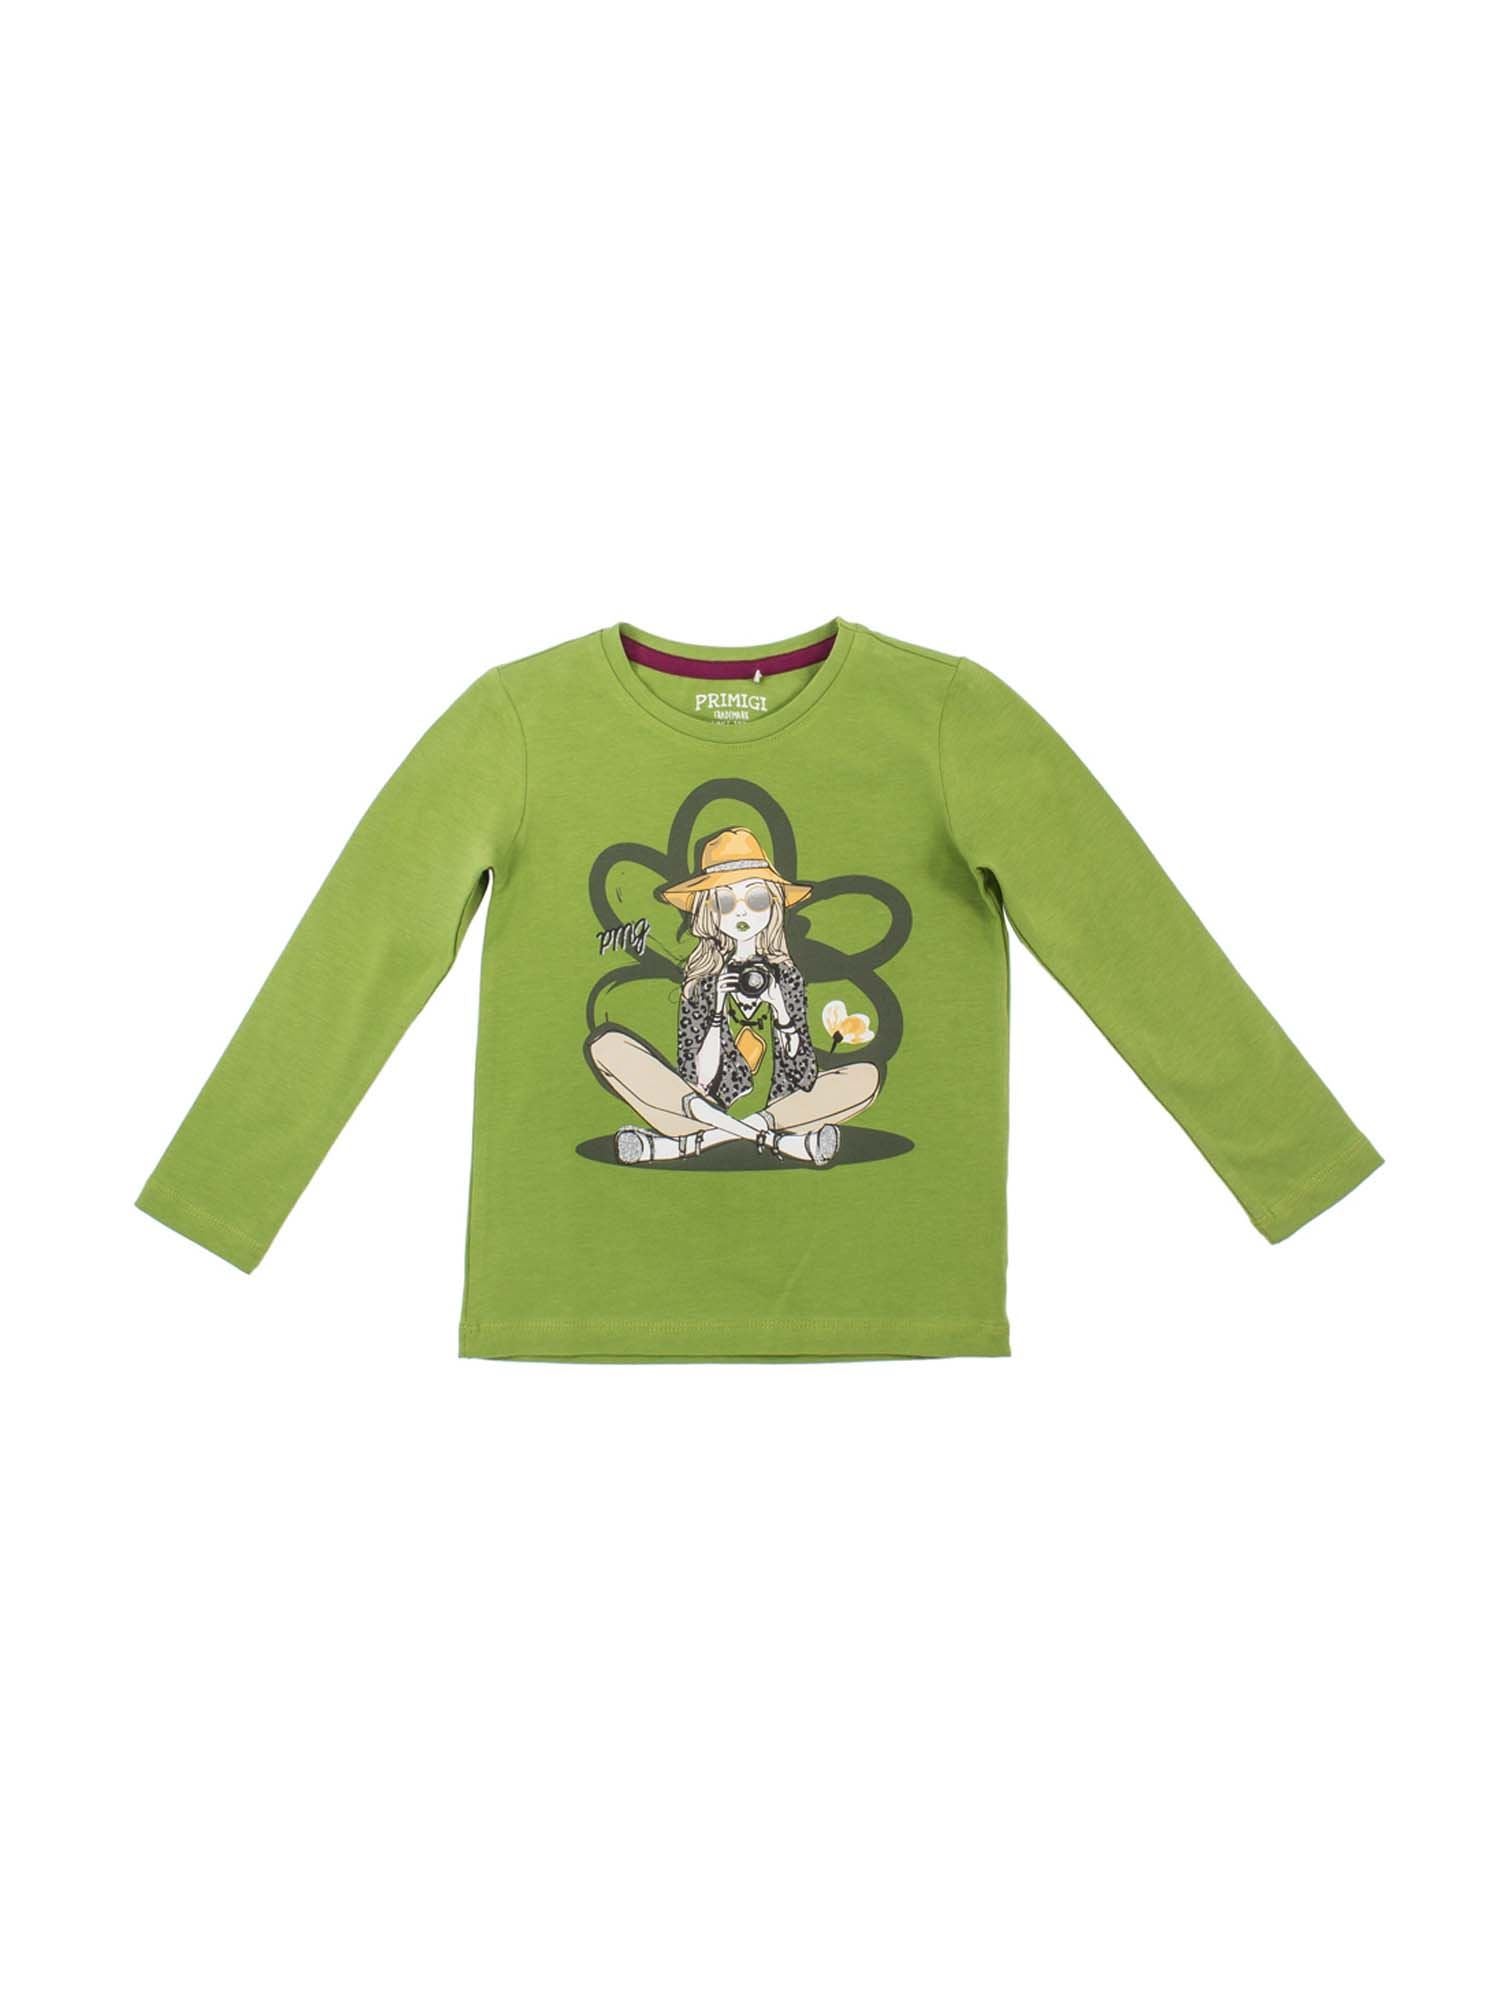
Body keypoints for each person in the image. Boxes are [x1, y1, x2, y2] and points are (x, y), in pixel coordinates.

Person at [585, 827, 880, 1166]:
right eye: (726, 902)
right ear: (709, 912)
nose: (741, 912)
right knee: (608, 1046)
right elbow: (698, 1081)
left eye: (755, 900)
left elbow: (803, 1075)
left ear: (773, 905)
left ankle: (678, 1147)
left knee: (865, 1077)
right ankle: (779, 1142)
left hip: (781, 1109)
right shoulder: (701, 981)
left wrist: (781, 1009)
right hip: (698, 1111)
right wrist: (716, 1010)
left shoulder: (786, 978)